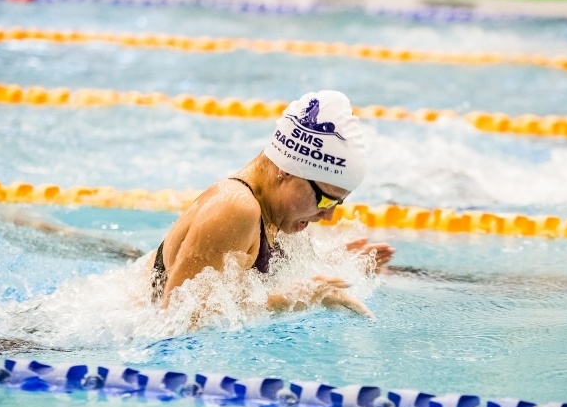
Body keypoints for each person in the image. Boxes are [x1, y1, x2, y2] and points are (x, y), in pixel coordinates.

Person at [145, 90, 395, 316]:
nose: (328, 215)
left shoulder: (281, 214)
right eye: (325, 199)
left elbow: (252, 282)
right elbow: (179, 317)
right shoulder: (234, 207)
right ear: (287, 169)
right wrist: (291, 299)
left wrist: (337, 263)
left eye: (337, 203)